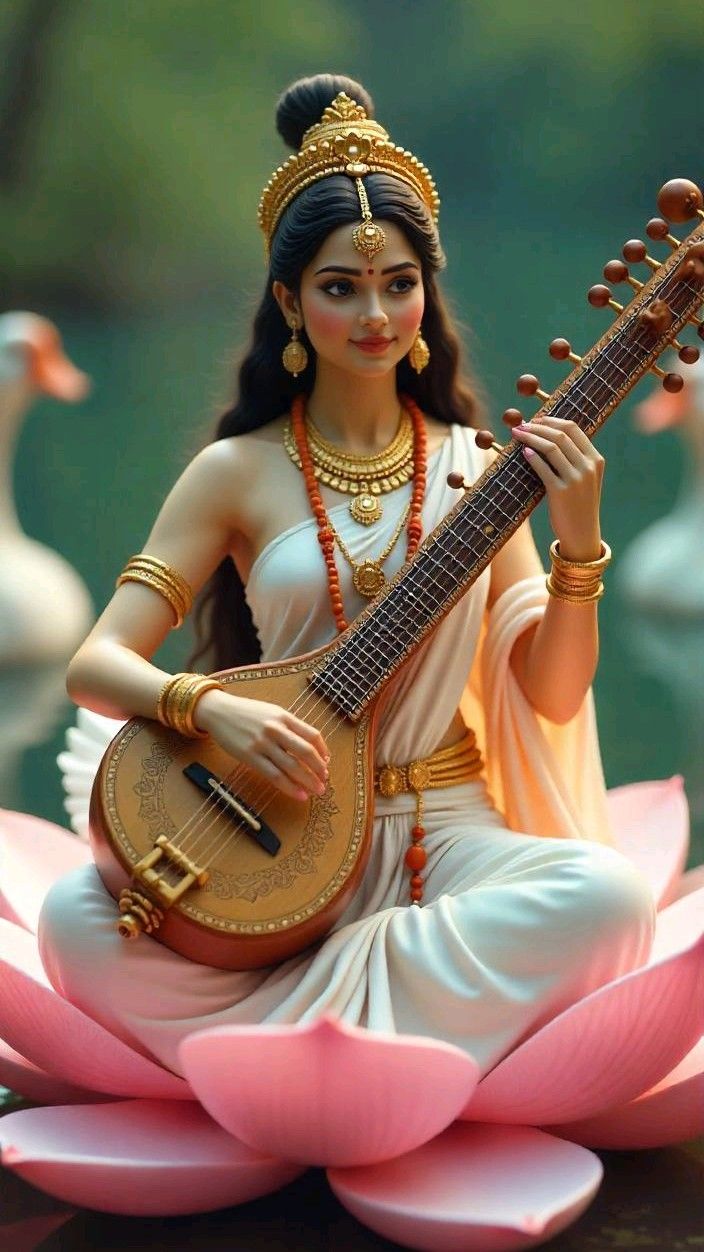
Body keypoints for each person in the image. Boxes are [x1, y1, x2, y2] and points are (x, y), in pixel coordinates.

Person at [38, 73, 654, 1079]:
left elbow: (549, 692)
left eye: (398, 282)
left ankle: (294, 1028)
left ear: (426, 290)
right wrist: (208, 710)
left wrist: (577, 541)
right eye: (339, 286)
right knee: (72, 917)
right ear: (288, 299)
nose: (375, 312)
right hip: (270, 828)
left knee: (608, 902)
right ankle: (382, 1043)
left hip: (445, 841)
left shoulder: (479, 471)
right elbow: (95, 664)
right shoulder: (235, 471)